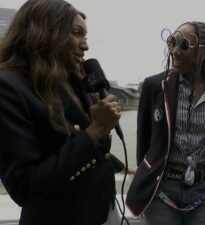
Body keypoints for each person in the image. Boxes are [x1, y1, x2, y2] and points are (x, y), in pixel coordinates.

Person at [0, 0, 122, 224]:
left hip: (103, 210)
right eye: (76, 33)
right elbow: (24, 187)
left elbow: (77, 147)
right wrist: (95, 131)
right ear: (44, 32)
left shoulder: (73, 79)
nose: (85, 46)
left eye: (85, 36)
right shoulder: (8, 86)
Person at [125, 21, 205, 225]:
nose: (174, 51)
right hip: (162, 189)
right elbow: (144, 142)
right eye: (171, 42)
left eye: (184, 45)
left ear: (204, 53)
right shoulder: (154, 86)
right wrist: (146, 178)